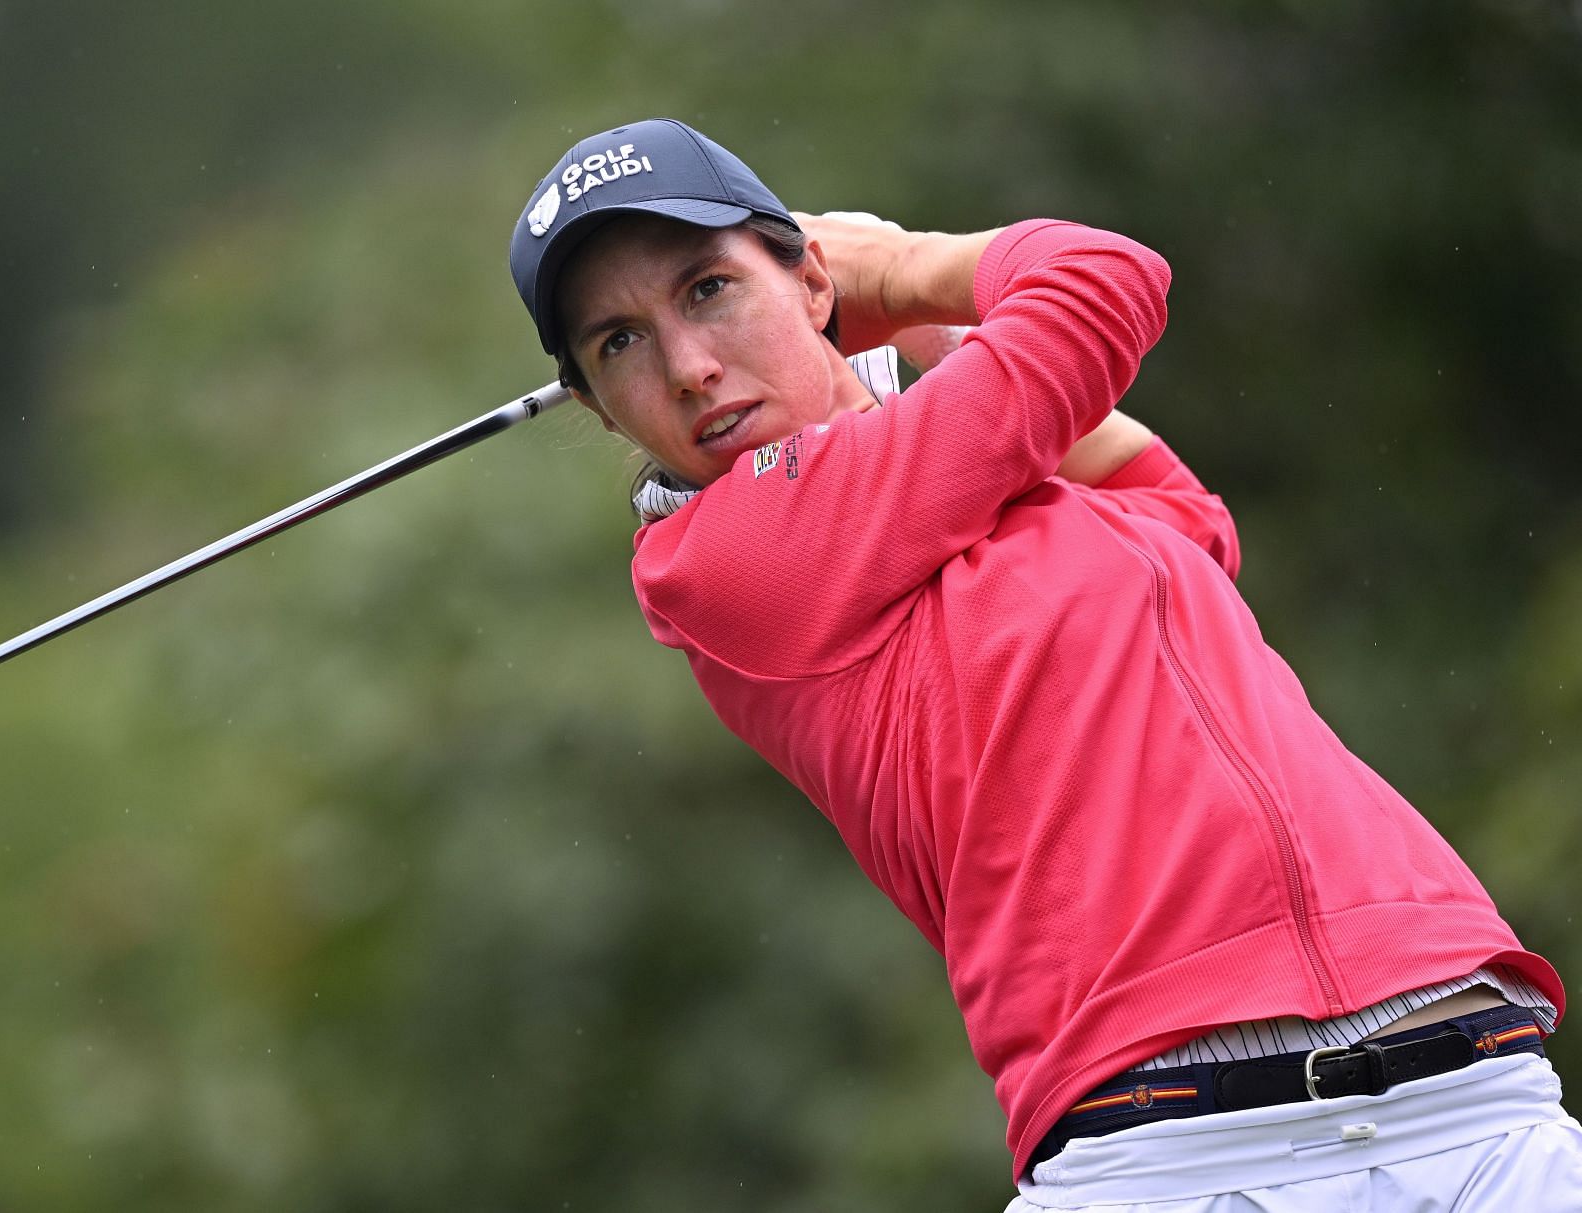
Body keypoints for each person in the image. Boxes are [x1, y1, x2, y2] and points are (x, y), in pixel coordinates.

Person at [508, 118, 1582, 1209]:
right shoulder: (716, 563)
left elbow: (1186, 525)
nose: (689, 367)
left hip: (1477, 1089)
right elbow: (1101, 282)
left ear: (806, 278)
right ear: (602, 409)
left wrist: (924, 341)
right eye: (620, 344)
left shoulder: (962, 494)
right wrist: (908, 270)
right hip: (1177, 1154)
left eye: (707, 289)